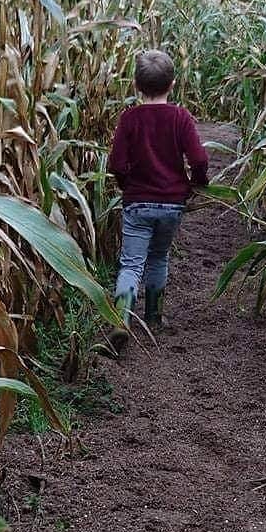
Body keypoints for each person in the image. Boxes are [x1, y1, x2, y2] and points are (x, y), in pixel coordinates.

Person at [106, 49, 209, 352]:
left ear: (136, 86)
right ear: (173, 84)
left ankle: (121, 316)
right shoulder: (180, 117)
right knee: (159, 257)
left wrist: (128, 187)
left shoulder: (130, 119)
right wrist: (196, 184)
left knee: (131, 263)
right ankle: (153, 316)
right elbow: (199, 158)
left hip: (137, 203)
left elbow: (117, 164)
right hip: (171, 204)